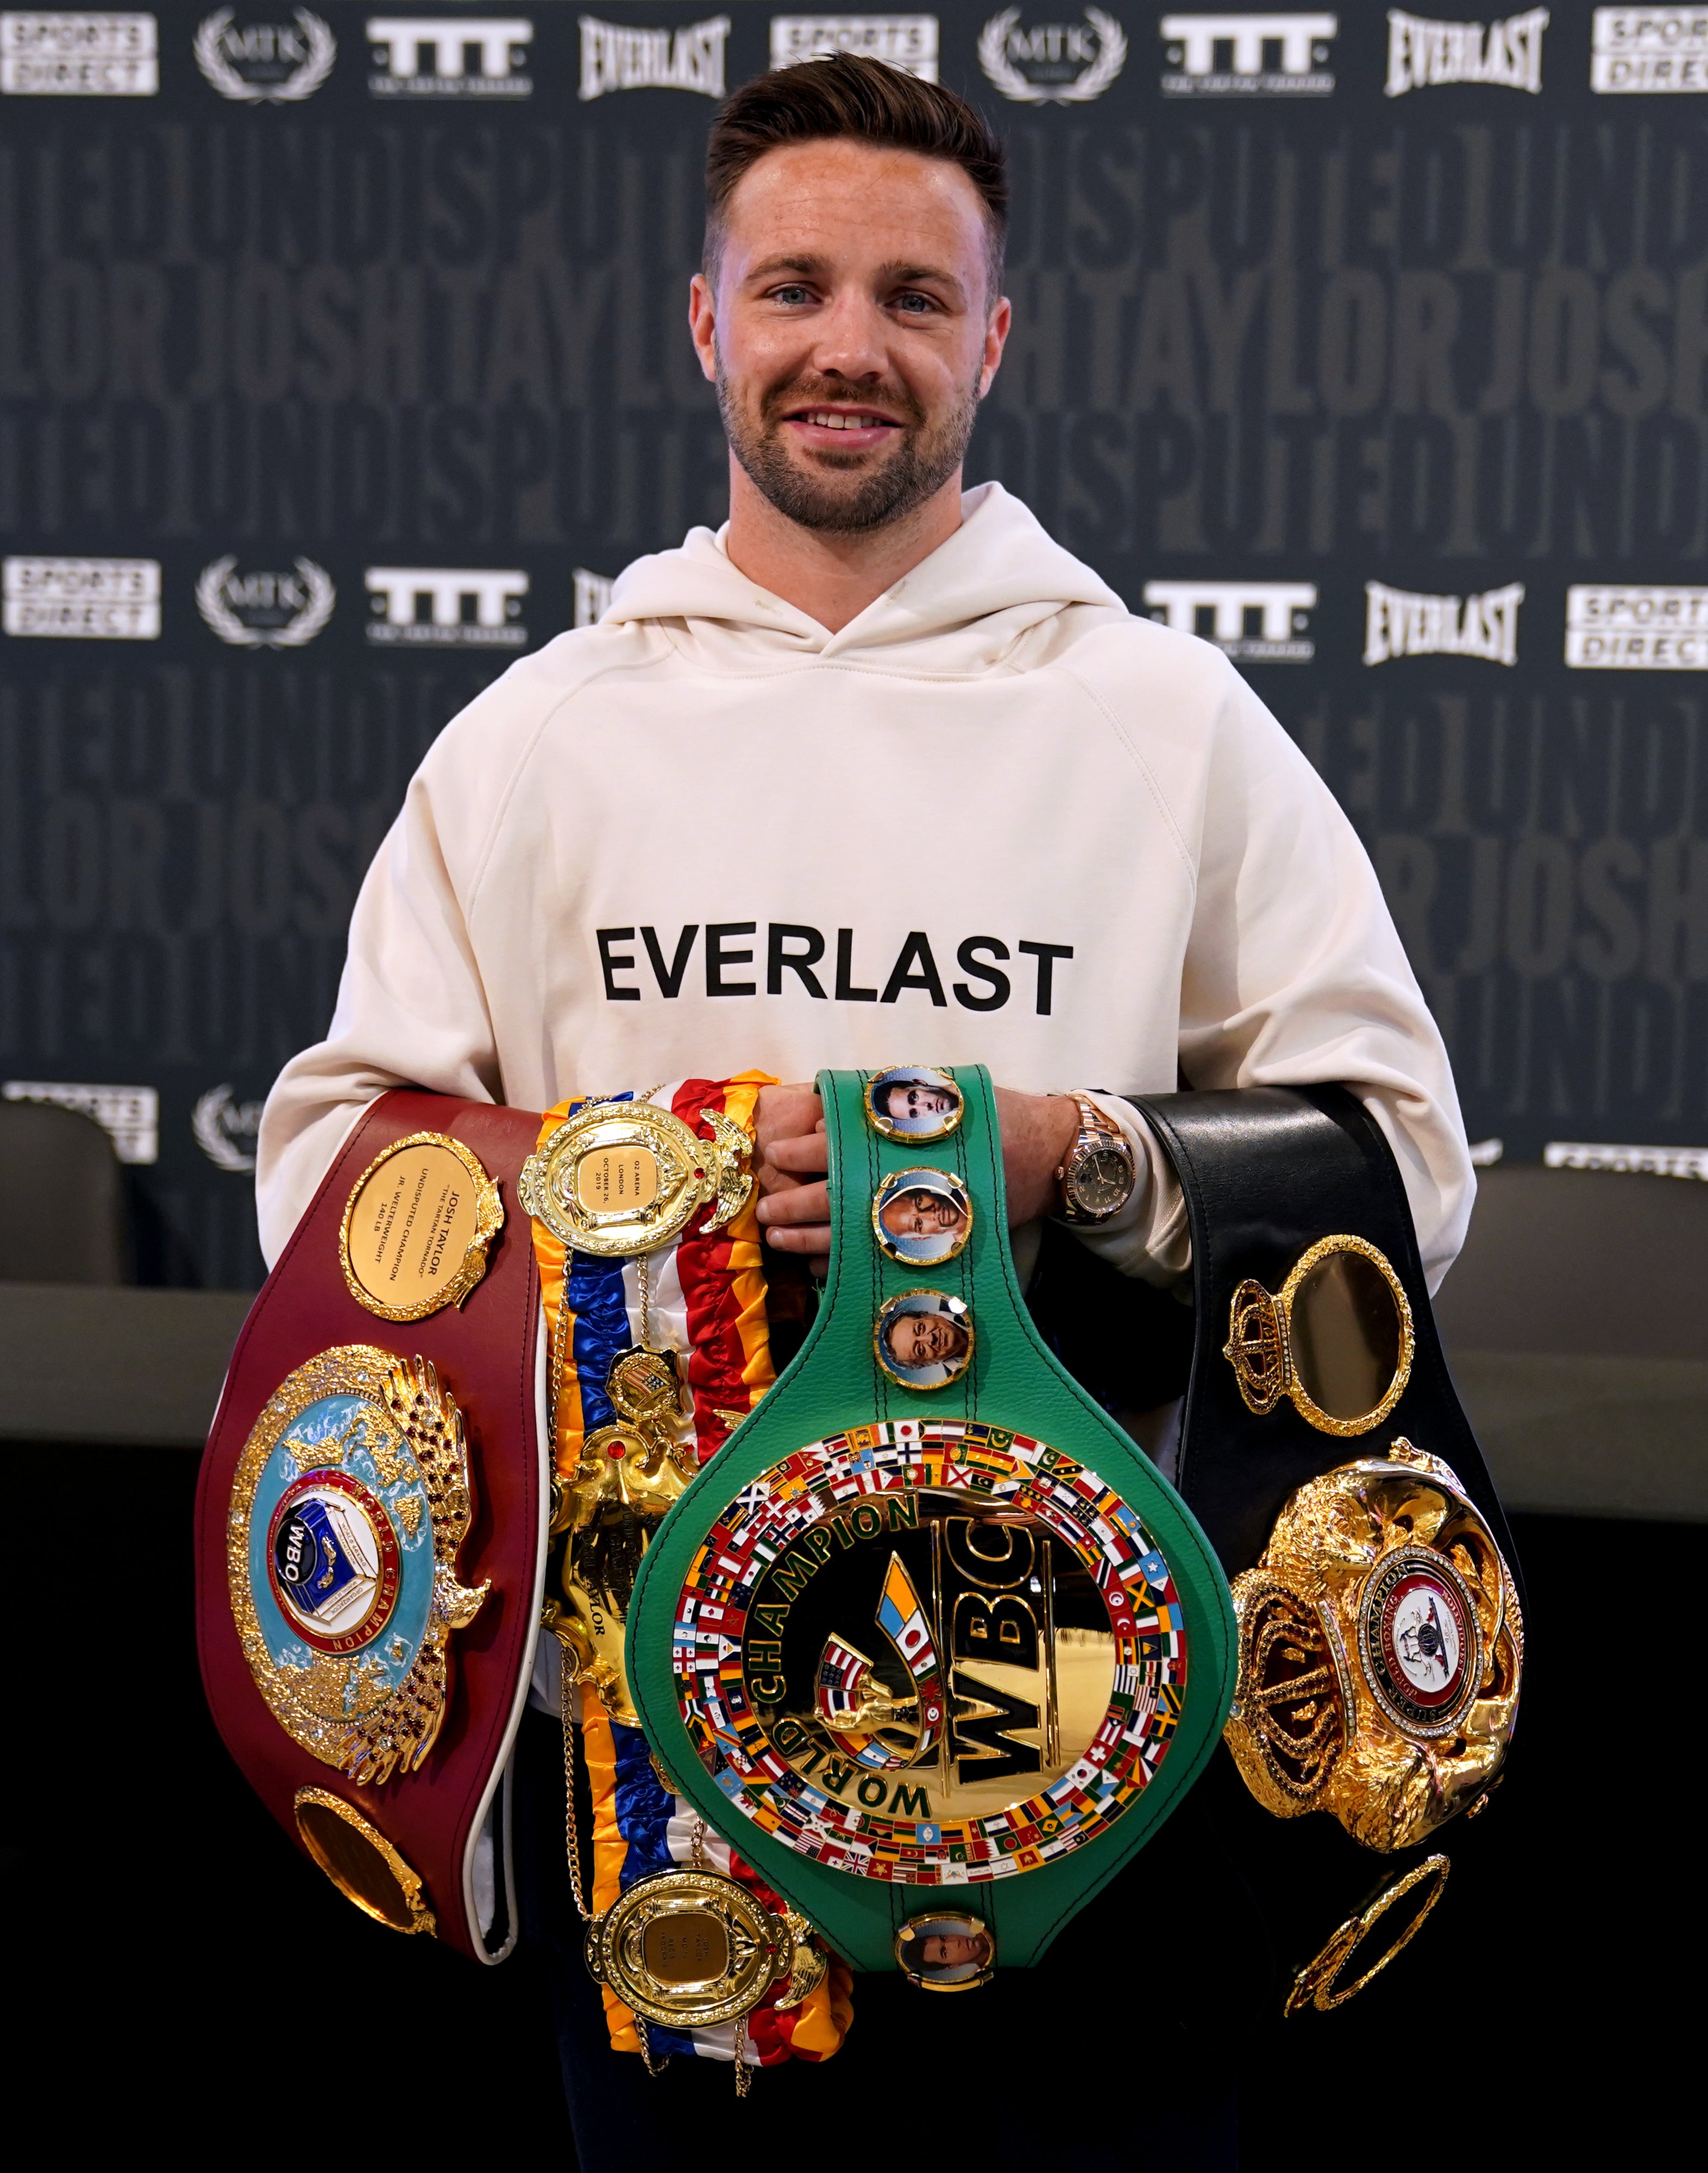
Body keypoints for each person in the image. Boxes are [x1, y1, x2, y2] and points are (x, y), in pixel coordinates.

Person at [254, 51, 1473, 2168]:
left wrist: (1072, 1157)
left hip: (1076, 1731)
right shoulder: (541, 737)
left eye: (912, 298)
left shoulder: (1162, 721)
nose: (850, 345)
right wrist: (621, 1188)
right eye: (795, 285)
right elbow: (333, 1167)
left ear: (987, 341)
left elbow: (1397, 1158)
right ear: (707, 321)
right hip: (653, 1775)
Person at [881, 1300, 972, 1376]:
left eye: (920, 1329)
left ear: (927, 1315)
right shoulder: (960, 1385)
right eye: (920, 1350)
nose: (930, 1338)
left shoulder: (957, 1297)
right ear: (929, 1363)